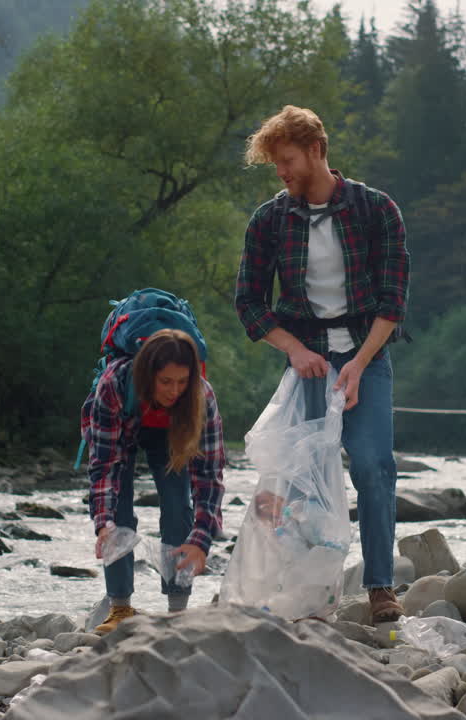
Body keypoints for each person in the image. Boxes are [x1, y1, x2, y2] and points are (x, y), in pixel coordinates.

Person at [235, 105, 410, 623]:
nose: (282, 173)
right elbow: (249, 301)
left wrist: (357, 364)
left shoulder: (378, 210)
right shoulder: (268, 220)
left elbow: (392, 302)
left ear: (317, 150)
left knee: (375, 466)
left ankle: (380, 587)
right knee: (298, 479)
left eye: (287, 160)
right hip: (306, 361)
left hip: (367, 356)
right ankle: (303, 594)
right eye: (275, 166)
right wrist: (293, 349)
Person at [82, 328, 226, 634]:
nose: (175, 391)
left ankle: (177, 612)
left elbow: (209, 477)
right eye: (165, 382)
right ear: (148, 375)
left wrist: (201, 540)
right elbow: (104, 465)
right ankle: (119, 608)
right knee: (118, 510)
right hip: (125, 422)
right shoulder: (114, 386)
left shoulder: (200, 396)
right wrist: (102, 522)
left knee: (178, 506)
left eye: (182, 381)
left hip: (171, 432)